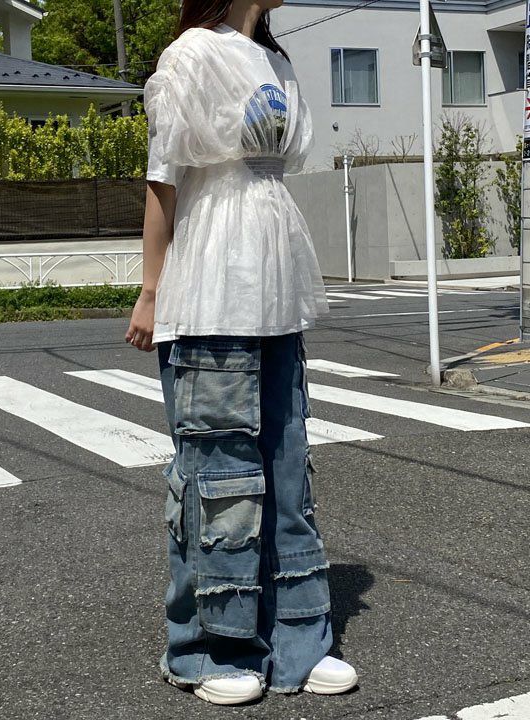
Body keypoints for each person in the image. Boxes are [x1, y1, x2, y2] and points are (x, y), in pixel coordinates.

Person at [125, 0, 358, 706]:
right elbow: (163, 179)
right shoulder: (193, 54)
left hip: (274, 289)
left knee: (287, 470)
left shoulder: (277, 61)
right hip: (209, 286)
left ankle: (298, 640)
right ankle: (207, 649)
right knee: (218, 473)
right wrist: (150, 290)